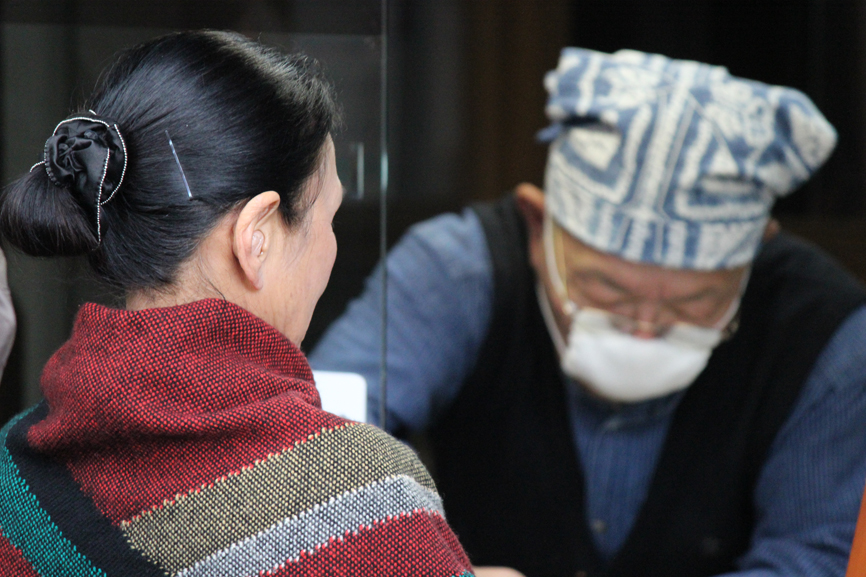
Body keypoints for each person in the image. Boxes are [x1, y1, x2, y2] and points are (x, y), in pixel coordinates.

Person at [311, 48, 866, 577]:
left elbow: (818, 556)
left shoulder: (824, 335)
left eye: (691, 303)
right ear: (538, 228)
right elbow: (313, 444)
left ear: (754, 257)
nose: (644, 329)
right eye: (607, 290)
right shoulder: (457, 272)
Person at [0, 30, 475, 576]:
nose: (331, 247)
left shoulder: (13, 477)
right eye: (329, 218)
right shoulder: (367, 510)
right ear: (257, 237)